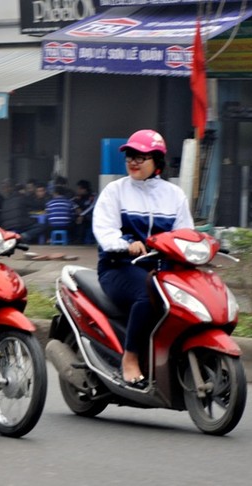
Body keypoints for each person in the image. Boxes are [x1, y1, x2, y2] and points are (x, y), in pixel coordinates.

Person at [93, 129, 193, 388]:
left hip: (163, 268)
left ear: (157, 161)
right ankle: (131, 358)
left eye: (141, 156)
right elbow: (105, 231)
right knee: (148, 295)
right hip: (119, 267)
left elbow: (186, 233)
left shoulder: (174, 195)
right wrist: (126, 245)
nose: (133, 161)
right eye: (130, 156)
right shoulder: (115, 191)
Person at [73, 180, 97, 245]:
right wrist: (76, 207)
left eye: (79, 189)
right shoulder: (78, 196)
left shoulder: (93, 196)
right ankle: (76, 239)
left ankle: (84, 240)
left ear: (85, 189)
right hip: (80, 216)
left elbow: (92, 206)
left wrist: (82, 215)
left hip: (89, 216)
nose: (78, 190)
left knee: (85, 219)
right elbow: (71, 201)